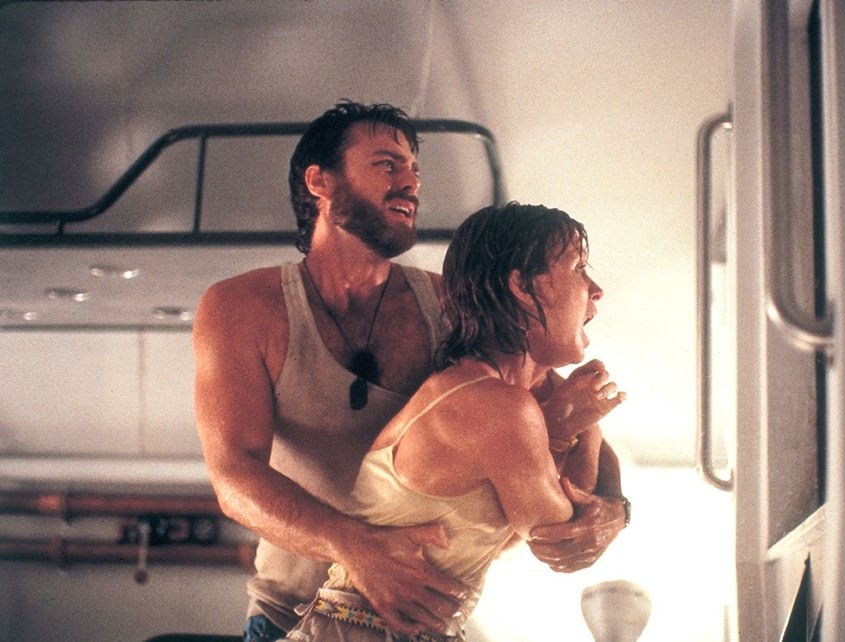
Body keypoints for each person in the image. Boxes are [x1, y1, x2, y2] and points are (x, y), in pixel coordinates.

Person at [192, 101, 630, 642]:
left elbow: (569, 410)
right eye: (387, 164)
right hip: (289, 615)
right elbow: (233, 477)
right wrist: (355, 547)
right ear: (319, 181)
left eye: (415, 169)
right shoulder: (240, 307)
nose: (411, 183)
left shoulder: (448, 305)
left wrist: (614, 509)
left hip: (427, 617)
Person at [278, 202, 626, 642]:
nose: (596, 290)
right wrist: (585, 428)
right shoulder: (496, 405)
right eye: (578, 268)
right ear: (522, 286)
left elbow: (509, 539)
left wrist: (565, 429)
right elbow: (559, 538)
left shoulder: (495, 396)